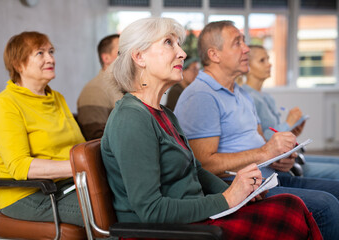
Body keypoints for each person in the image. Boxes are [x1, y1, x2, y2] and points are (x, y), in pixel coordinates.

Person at [100, 17, 321, 240]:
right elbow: (151, 211)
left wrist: (239, 191)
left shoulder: (163, 114)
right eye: (169, 43)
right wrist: (227, 199)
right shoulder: (131, 118)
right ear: (139, 57)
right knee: (290, 213)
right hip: (172, 230)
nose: (182, 53)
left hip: (196, 218)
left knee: (291, 204)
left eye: (178, 44)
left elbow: (195, 170)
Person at [174, 20, 339, 239]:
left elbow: (261, 141)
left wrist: (279, 157)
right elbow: (204, 164)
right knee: (326, 205)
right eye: (237, 43)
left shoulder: (242, 93)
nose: (246, 48)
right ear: (215, 55)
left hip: (270, 176)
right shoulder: (201, 96)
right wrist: (264, 153)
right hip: (239, 187)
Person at [0, 31, 85, 226]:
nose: (50, 58)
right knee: (107, 211)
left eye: (51, 51)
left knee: (127, 197)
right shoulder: (5, 104)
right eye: (40, 53)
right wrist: (81, 168)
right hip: (28, 194)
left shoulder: (56, 97)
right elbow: (20, 166)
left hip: (67, 184)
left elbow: (78, 146)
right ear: (18, 64)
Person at [243, 45, 339, 180]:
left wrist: (293, 131)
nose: (269, 64)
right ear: (247, 66)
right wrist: (288, 123)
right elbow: (263, 138)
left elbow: (274, 131)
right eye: (262, 60)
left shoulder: (266, 96)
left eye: (268, 59)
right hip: (275, 164)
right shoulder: (247, 97)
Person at [77, 34, 123, 140]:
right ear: (106, 58)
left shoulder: (126, 86)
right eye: (121, 52)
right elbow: (95, 139)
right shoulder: (94, 90)